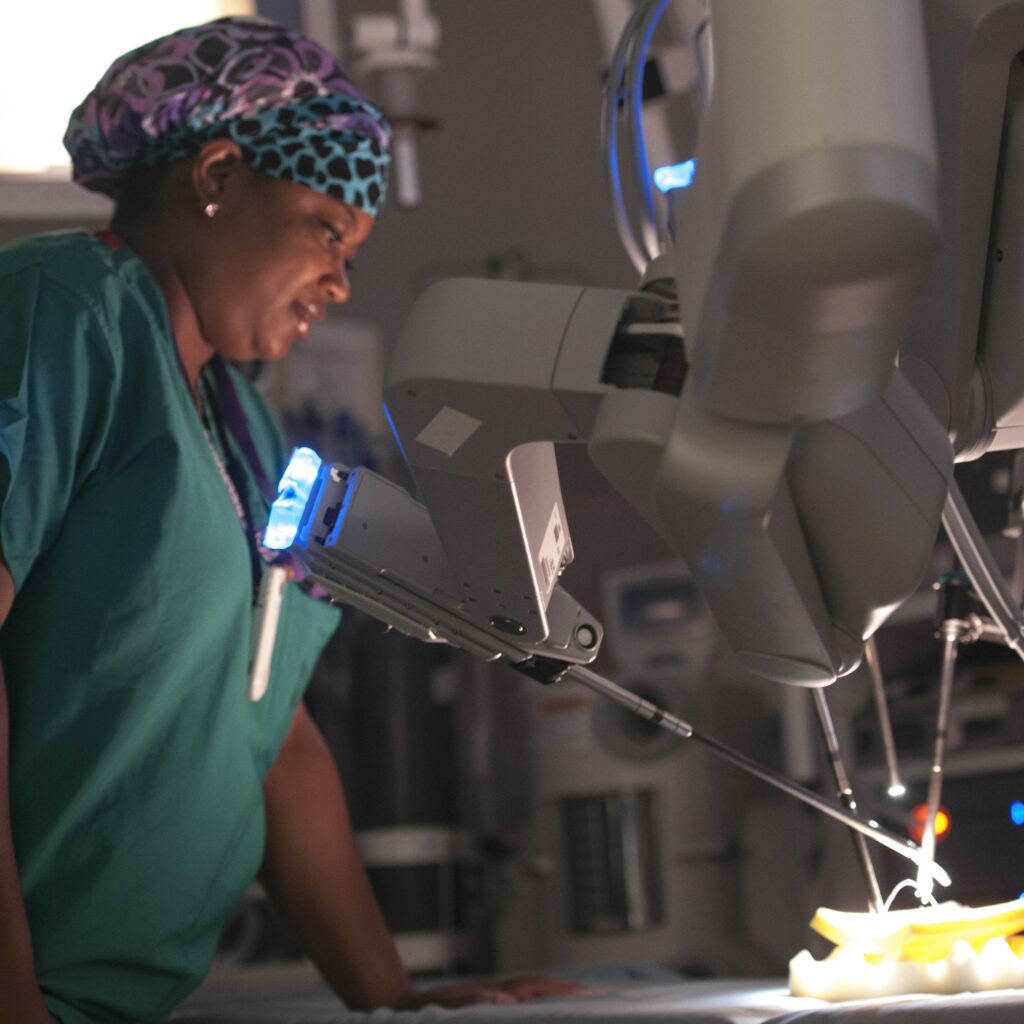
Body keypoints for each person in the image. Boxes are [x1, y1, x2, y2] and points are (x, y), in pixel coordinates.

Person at [0, 17, 585, 1024]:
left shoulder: (247, 428)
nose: (340, 282)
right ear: (219, 176)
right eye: (326, 228)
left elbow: (276, 739)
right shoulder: (64, 315)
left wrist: (392, 1000)